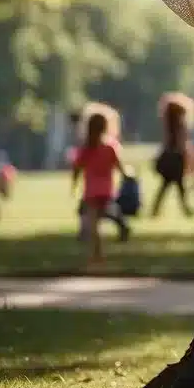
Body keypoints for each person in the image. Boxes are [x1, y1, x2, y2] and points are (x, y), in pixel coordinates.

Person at [72, 111, 128, 270]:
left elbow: (77, 168)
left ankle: (97, 255)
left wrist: (74, 184)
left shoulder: (86, 147)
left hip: (91, 191)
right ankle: (101, 252)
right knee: (104, 217)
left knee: (94, 224)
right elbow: (120, 167)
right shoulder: (110, 146)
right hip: (107, 190)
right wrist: (127, 175)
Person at [153, 98, 194, 217]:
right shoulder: (180, 125)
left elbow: (166, 142)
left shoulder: (168, 124)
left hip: (168, 157)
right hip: (177, 158)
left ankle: (155, 210)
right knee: (178, 186)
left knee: (167, 185)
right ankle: (186, 210)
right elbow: (182, 143)